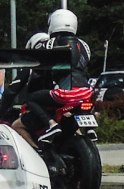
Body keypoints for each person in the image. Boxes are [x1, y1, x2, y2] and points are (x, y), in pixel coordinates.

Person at [11, 9, 91, 147]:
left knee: (31, 98)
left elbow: (42, 71)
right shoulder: (84, 45)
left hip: (65, 92)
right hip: (86, 91)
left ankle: (51, 125)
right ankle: (89, 128)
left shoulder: (49, 44)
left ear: (52, 24)